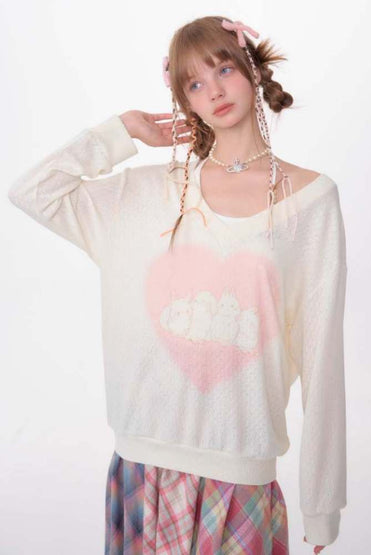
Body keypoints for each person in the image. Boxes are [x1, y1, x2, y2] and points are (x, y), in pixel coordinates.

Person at [8, 15, 348, 555]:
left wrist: (322, 505)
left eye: (224, 69)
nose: (214, 91)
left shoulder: (310, 200)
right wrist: (121, 131)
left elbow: (322, 355)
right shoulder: (144, 195)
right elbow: (33, 192)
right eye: (193, 83)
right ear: (182, 98)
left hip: (240, 477)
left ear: (251, 70)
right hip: (141, 470)